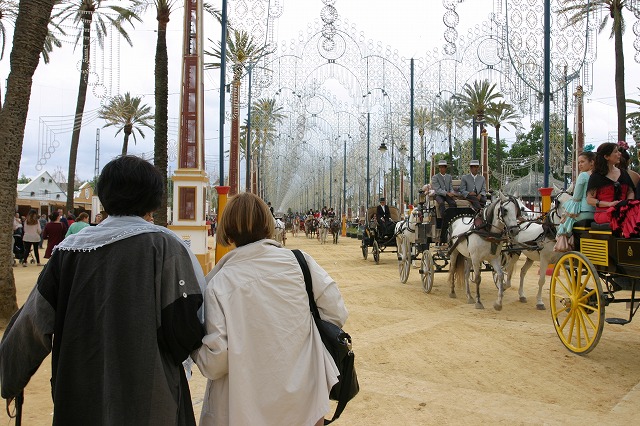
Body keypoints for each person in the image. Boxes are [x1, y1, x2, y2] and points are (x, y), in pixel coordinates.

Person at [0, 155, 205, 425]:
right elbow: (187, 326)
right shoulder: (166, 247)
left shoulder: (68, 252)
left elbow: (32, 325)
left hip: (79, 397)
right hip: (150, 400)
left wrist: (11, 380)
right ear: (153, 199)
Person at [193, 192, 348, 426]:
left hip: (245, 407)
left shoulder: (219, 284)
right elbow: (336, 313)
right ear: (267, 223)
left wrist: (193, 350)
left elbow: (216, 362)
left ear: (227, 231)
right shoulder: (300, 262)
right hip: (305, 400)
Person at [586, 142, 640, 238]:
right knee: (628, 218)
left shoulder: (623, 173)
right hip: (605, 212)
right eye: (615, 152)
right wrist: (609, 204)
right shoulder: (596, 177)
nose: (619, 154)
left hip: (623, 209)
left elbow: (630, 191)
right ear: (606, 157)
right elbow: (590, 200)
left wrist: (628, 202)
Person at [556, 151, 596, 235]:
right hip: (597, 212)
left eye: (582, 162)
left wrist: (567, 214)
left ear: (592, 162)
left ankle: (563, 242)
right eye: (579, 163)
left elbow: (576, 198)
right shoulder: (600, 175)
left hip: (585, 213)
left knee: (565, 222)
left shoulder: (583, 175)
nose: (580, 165)